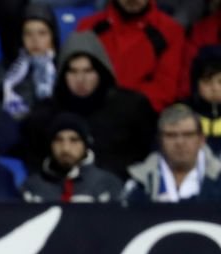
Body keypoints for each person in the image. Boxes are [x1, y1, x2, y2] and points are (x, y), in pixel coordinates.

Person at [19, 32, 158, 179]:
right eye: (73, 71)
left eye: (88, 71)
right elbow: (34, 165)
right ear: (62, 74)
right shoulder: (44, 114)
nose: (81, 79)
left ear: (100, 71)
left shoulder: (132, 107)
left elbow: (150, 157)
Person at [76, 0, 186, 112]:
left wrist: (122, 100)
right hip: (92, 111)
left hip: (143, 116)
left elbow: (165, 89)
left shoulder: (170, 31)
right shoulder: (89, 27)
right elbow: (74, 78)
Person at [122, 103, 221, 202]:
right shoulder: (138, 183)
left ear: (202, 140)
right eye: (171, 135)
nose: (180, 142)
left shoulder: (218, 176)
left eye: (188, 135)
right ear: (160, 140)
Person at [21, 112, 124, 202]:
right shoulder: (32, 187)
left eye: (74, 140)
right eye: (58, 140)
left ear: (86, 145)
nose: (65, 148)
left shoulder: (107, 184)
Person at [185, 45, 221, 154]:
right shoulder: (181, 114)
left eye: (220, 82)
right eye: (207, 81)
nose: (214, 88)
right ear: (196, 84)